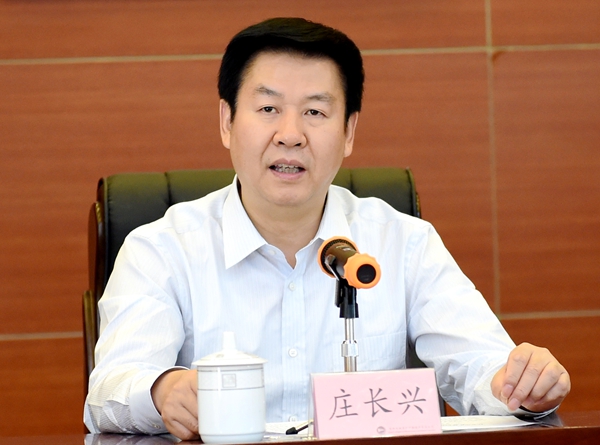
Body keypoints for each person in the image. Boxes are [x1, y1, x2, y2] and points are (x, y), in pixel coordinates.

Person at [84, 17, 570, 440]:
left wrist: (521, 385)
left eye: (315, 112)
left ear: (349, 132)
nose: (290, 134)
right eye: (268, 109)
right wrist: (162, 390)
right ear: (227, 121)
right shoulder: (161, 249)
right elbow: (110, 390)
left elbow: (482, 367)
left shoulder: (404, 243)